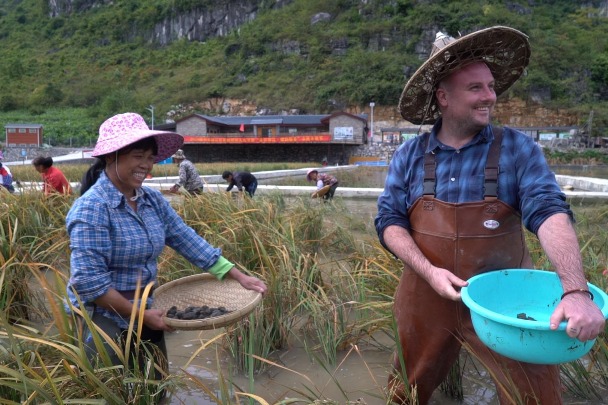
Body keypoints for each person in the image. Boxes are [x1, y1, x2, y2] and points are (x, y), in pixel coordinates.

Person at [375, 26, 606, 404]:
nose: (490, 97)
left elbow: (549, 211)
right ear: (443, 97)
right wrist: (429, 272)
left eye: (491, 86)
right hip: (426, 295)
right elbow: (389, 222)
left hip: (505, 301)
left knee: (534, 396)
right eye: (476, 88)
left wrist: (576, 291)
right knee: (406, 393)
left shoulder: (517, 149)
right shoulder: (410, 155)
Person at [66, 113, 267, 383]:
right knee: (113, 390)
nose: (146, 166)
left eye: (150, 158)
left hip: (149, 309)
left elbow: (185, 238)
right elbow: (90, 283)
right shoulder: (92, 208)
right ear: (111, 156)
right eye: (139, 156)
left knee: (155, 386)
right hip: (105, 317)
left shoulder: (150, 199)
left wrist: (237, 275)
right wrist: (140, 315)